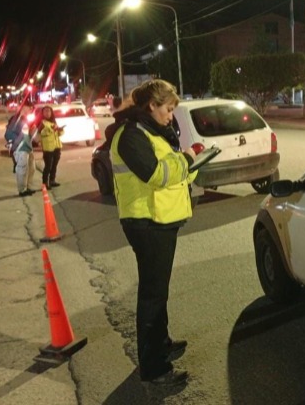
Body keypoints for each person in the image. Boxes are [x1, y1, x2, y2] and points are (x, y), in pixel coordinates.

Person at [110, 79, 197, 386]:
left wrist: (193, 162)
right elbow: (156, 174)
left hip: (161, 219)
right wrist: (187, 159)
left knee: (158, 291)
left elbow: (176, 172)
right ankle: (154, 368)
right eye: (168, 109)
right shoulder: (131, 135)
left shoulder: (152, 131)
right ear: (152, 105)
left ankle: (161, 344)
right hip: (146, 222)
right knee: (152, 295)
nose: (171, 115)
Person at [38, 106, 63, 189]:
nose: (47, 113)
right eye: (45, 111)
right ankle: (45, 183)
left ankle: (52, 180)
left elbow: (59, 134)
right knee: (48, 166)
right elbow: (41, 133)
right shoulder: (42, 123)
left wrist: (60, 130)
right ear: (42, 113)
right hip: (48, 148)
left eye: (49, 111)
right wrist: (52, 129)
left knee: (54, 165)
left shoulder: (53, 122)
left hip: (56, 146)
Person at [14, 123, 37, 196]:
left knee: (32, 169)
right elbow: (9, 134)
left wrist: (32, 130)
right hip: (21, 149)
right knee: (22, 171)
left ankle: (28, 187)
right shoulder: (19, 121)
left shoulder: (32, 121)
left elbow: (32, 136)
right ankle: (22, 190)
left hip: (29, 148)